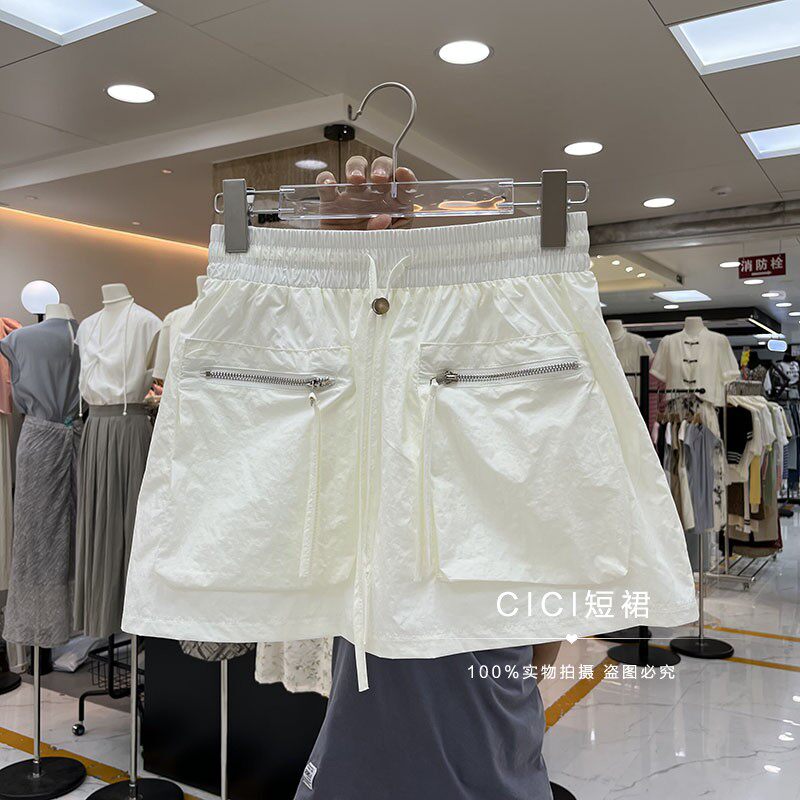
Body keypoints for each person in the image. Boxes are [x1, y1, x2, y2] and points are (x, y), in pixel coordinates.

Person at [292, 156, 559, 800]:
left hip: (473, 750)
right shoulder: (382, 444)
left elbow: (544, 636)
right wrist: (349, 278)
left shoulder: (517, 442)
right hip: (419, 748)